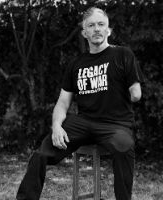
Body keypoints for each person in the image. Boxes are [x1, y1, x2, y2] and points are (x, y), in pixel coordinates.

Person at [16, 7, 144, 200]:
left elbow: (136, 94)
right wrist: (57, 126)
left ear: (108, 29)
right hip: (83, 123)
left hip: (115, 125)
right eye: (91, 26)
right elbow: (62, 103)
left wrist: (134, 92)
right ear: (85, 33)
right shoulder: (76, 64)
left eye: (101, 24)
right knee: (41, 153)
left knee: (124, 148)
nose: (96, 29)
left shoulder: (123, 55)